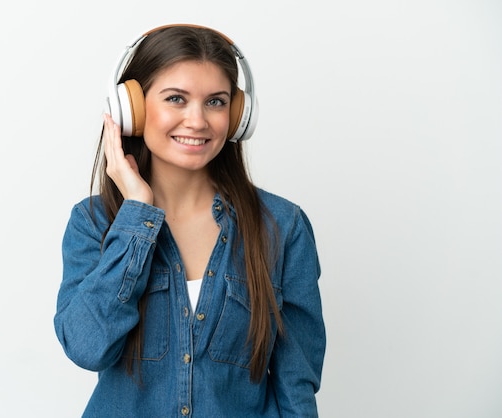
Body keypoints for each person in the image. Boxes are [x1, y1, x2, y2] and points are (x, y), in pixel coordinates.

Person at [54, 24, 326, 417]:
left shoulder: (282, 227)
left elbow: (295, 385)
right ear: (133, 109)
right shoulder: (94, 222)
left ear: (236, 116)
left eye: (215, 102)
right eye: (176, 99)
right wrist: (138, 216)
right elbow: (85, 346)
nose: (197, 121)